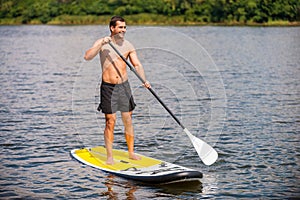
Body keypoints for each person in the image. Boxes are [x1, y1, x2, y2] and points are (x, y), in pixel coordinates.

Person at [84, 16, 151, 165]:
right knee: (110, 121)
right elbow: (87, 56)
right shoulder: (102, 44)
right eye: (120, 27)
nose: (123, 30)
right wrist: (101, 42)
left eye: (125, 27)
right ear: (112, 28)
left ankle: (131, 152)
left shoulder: (128, 45)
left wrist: (144, 80)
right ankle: (109, 156)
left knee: (128, 120)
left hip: (124, 86)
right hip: (108, 87)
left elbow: (137, 65)